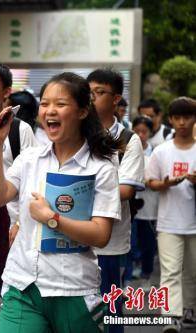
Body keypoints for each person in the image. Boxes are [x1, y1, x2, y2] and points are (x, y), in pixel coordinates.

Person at [0, 72, 121, 332]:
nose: (49, 111)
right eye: (45, 103)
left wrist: (52, 218)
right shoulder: (30, 159)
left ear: (82, 111)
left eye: (60, 104)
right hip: (22, 286)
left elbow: (101, 234)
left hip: (73, 289)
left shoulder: (101, 167)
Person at [87, 68, 145, 333]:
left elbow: (125, 190)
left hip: (109, 242)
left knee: (109, 311)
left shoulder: (128, 140)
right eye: (88, 92)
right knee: (77, 311)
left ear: (116, 99)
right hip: (72, 236)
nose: (91, 98)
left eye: (99, 93)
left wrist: (79, 192)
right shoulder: (75, 132)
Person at [145, 97, 196, 332]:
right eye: (178, 118)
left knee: (193, 272)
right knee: (171, 271)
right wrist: (163, 184)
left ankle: (189, 311)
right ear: (171, 120)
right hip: (168, 222)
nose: (183, 122)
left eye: (188, 117)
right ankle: (171, 317)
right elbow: (150, 182)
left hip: (193, 222)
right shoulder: (162, 151)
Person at [0, 61, 38, 246]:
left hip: (7, 224)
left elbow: (32, 179)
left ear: (6, 92)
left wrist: (20, 222)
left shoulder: (20, 129)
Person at [124, 116, 159, 286]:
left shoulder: (156, 153)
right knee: (131, 241)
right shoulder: (127, 150)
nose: (140, 135)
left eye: (144, 132)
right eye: (137, 131)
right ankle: (129, 275)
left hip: (149, 207)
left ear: (150, 133)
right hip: (130, 206)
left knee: (148, 243)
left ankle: (146, 273)